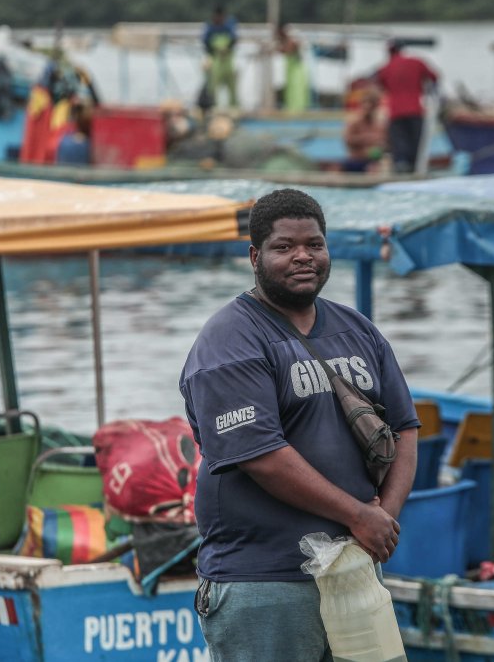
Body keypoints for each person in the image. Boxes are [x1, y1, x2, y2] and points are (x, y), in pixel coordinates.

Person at [179, 189, 420, 661]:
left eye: (314, 244)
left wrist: (381, 522)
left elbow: (406, 429)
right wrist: (357, 515)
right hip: (266, 582)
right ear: (255, 256)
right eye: (284, 246)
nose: (303, 256)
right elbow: (261, 456)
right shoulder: (230, 340)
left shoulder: (358, 329)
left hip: (353, 570)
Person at [374, 40, 439, 173]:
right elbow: (434, 77)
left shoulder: (386, 68)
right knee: (416, 140)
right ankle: (415, 167)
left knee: (399, 141)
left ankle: (401, 166)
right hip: (415, 109)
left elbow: (381, 85)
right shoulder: (417, 62)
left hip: (396, 111)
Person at [342, 86, 387, 172]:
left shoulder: (379, 124)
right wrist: (365, 138)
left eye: (371, 104)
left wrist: (380, 145)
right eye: (365, 103)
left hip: (373, 162)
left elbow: (384, 144)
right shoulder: (355, 122)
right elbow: (347, 140)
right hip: (356, 161)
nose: (367, 107)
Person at [202, 5, 239, 109]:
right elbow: (205, 44)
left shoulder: (229, 25)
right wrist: (216, 50)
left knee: (232, 87)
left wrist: (226, 49)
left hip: (228, 62)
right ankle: (213, 106)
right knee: (213, 86)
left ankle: (234, 107)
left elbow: (234, 39)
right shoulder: (209, 27)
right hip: (215, 62)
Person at [275, 23, 310, 113]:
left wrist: (277, 48)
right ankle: (293, 108)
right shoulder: (287, 41)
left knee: (296, 90)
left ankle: (297, 109)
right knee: (291, 91)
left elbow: (287, 50)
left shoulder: (291, 41)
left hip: (296, 70)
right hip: (291, 70)